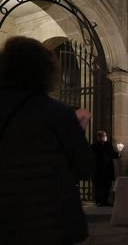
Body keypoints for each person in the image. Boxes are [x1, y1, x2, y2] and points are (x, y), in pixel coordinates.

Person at [0, 36, 95, 244]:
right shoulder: (57, 113)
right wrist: (77, 129)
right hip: (52, 224)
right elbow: (85, 167)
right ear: (45, 71)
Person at [91, 130, 119, 207]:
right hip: (98, 170)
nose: (105, 137)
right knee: (99, 187)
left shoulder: (108, 145)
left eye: (105, 136)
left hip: (108, 169)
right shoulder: (94, 146)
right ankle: (99, 201)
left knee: (107, 186)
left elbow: (114, 155)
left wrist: (119, 152)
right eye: (104, 136)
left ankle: (105, 201)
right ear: (99, 137)